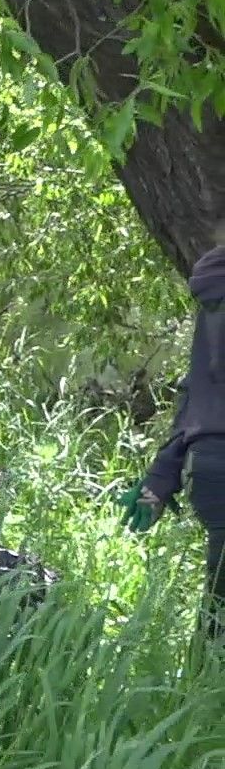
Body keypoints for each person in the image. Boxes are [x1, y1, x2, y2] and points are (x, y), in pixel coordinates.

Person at [119, 243, 225, 643]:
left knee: (218, 604)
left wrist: (161, 477)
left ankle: (199, 689)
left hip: (207, 470)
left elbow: (197, 396)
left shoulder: (213, 293)